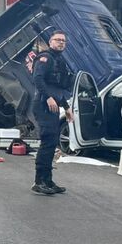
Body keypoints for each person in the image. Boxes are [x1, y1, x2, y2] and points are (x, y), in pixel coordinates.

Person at [31, 29, 72, 195]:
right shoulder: (45, 58)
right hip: (43, 104)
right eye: (57, 40)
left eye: (63, 40)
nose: (61, 42)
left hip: (53, 105)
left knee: (52, 142)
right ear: (50, 42)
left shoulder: (59, 60)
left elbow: (58, 88)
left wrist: (67, 108)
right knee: (48, 141)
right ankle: (39, 181)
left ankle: (47, 180)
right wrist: (47, 97)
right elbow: (37, 79)